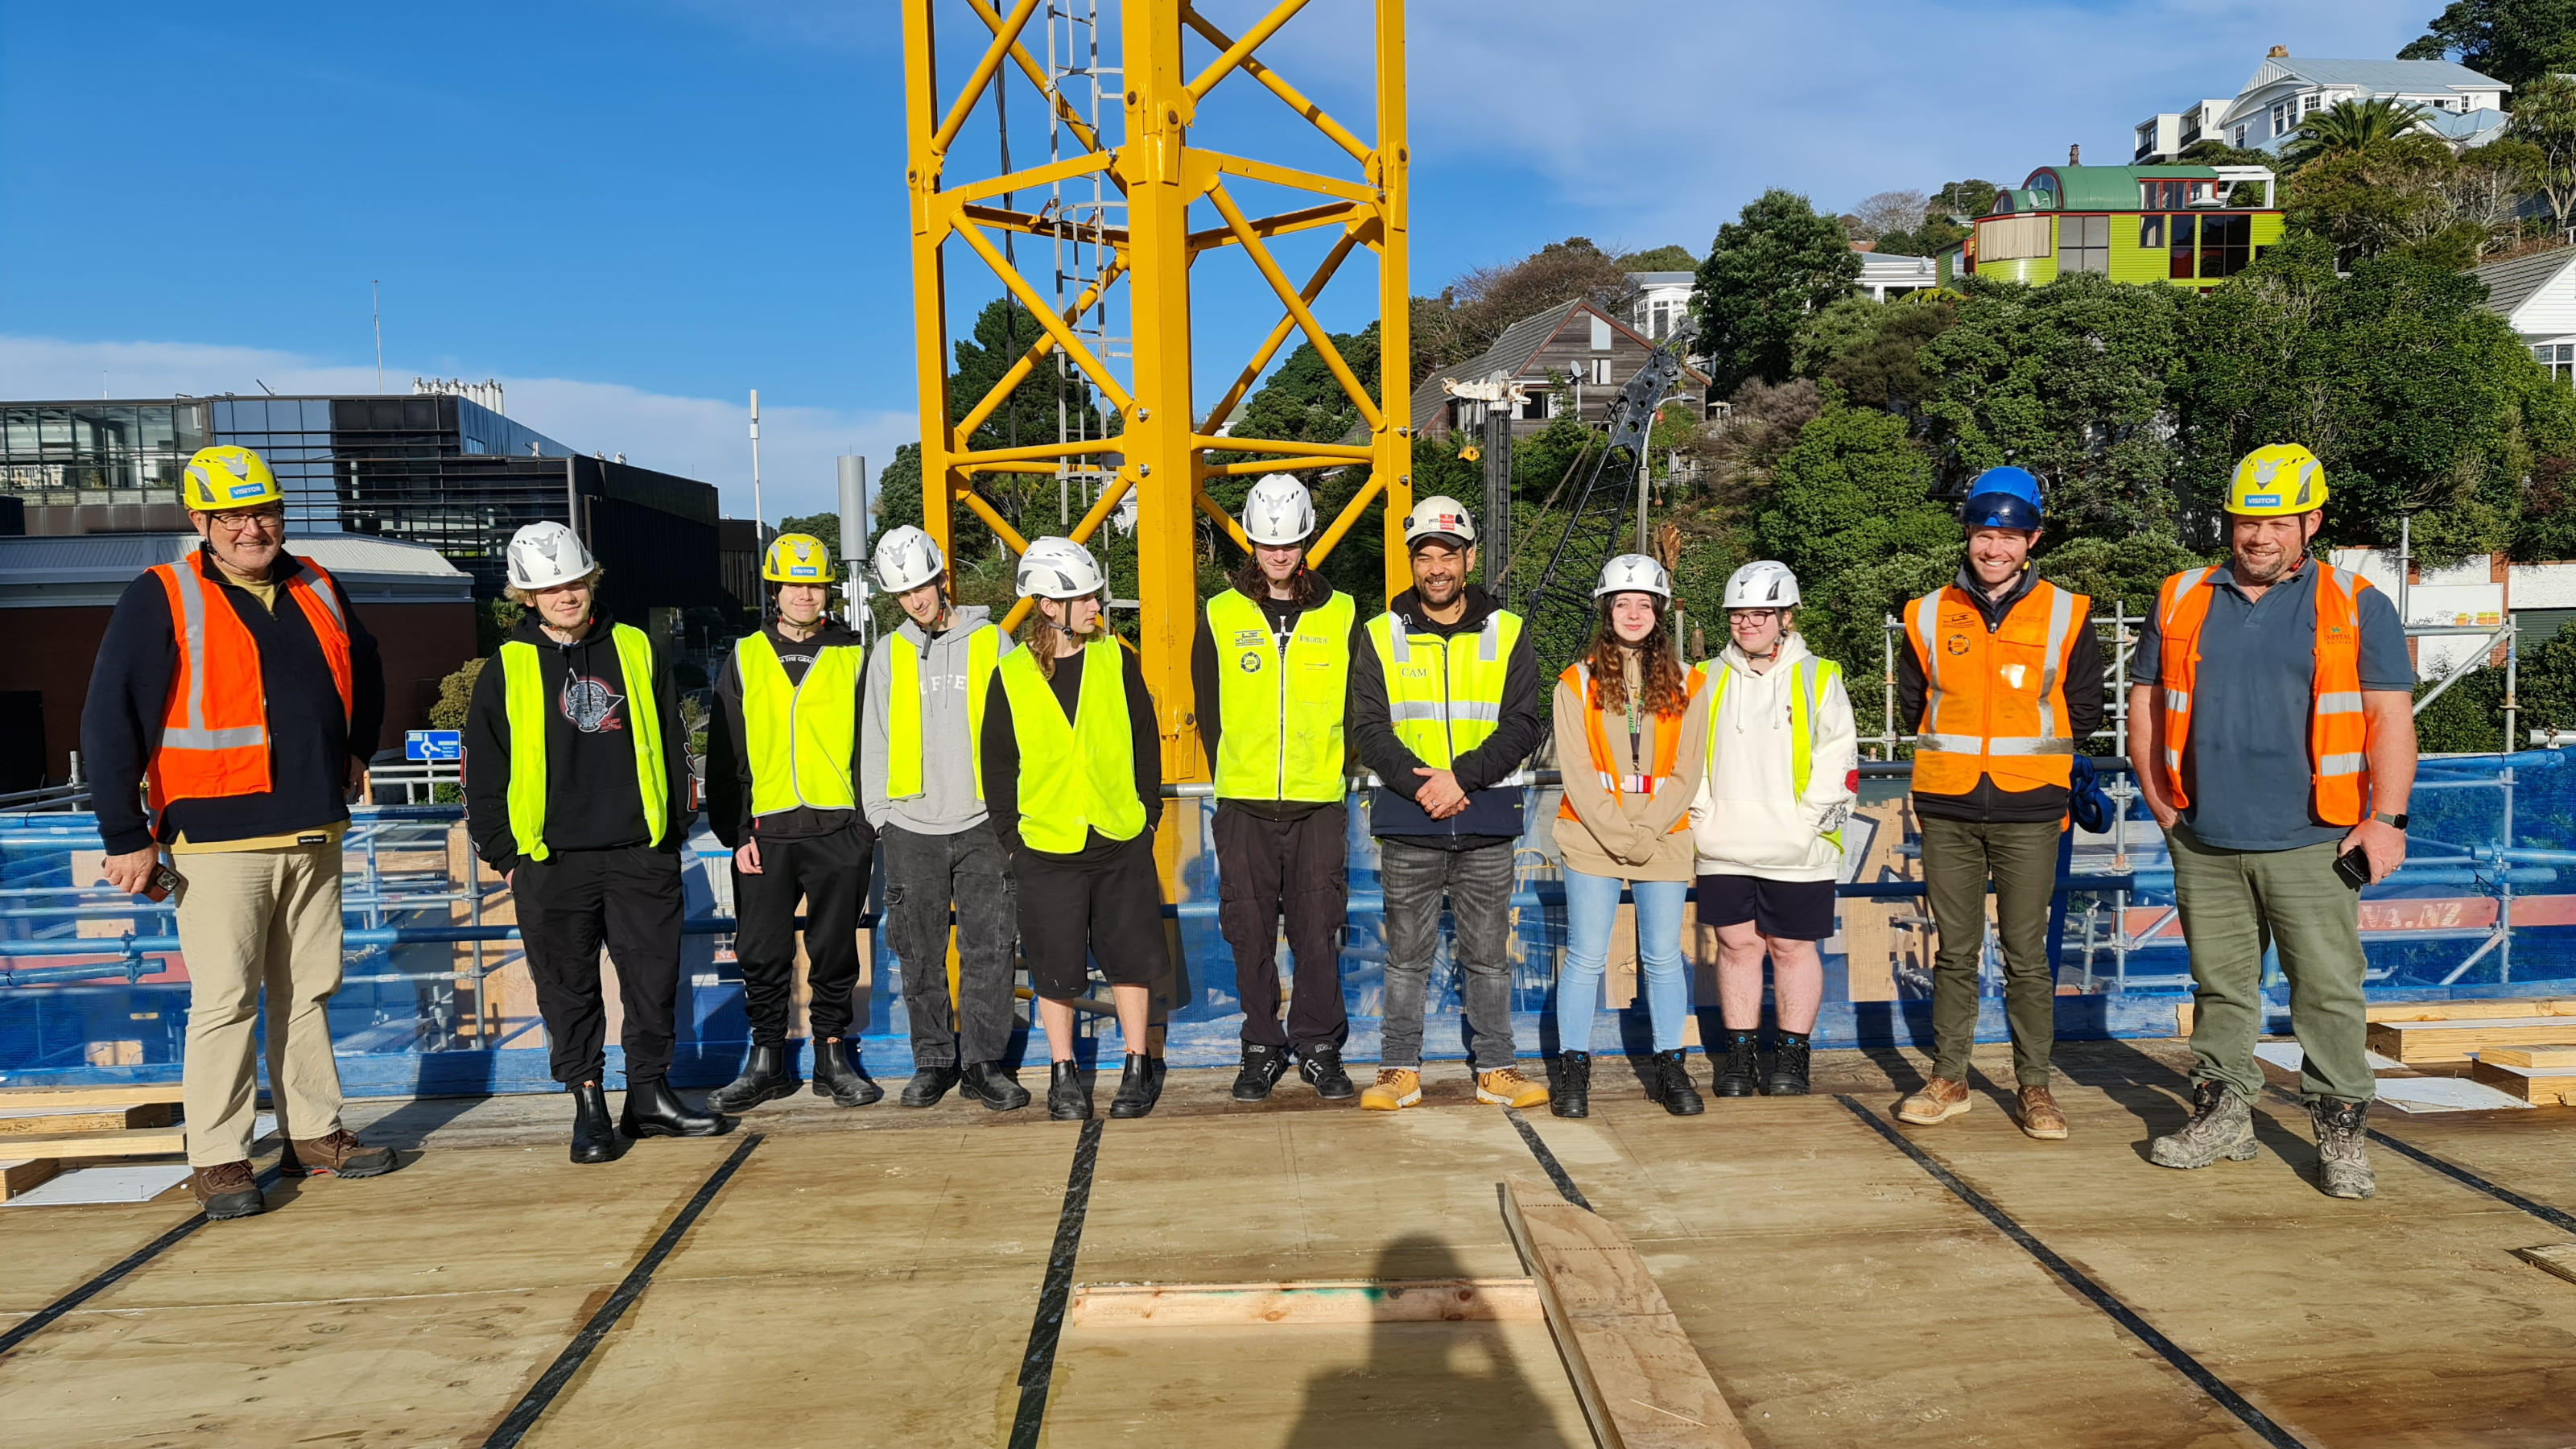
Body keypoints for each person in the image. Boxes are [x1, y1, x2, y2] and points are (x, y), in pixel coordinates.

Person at [80, 444, 397, 1220]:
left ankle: (313, 1134)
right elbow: (108, 717)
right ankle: (220, 1156)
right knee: (226, 998)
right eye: (236, 516)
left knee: (309, 990)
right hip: (215, 836)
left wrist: (356, 749)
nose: (255, 529)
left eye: (266, 512)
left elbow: (369, 664)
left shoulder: (316, 582)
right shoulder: (162, 595)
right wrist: (125, 832)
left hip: (312, 825)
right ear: (202, 521)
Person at [2130, 445, 2413, 1199]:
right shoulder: (2181, 594)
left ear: (2311, 522)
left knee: (2326, 989)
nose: (2260, 536)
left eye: (2278, 522)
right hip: (2206, 837)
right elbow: (2147, 706)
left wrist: (2386, 818)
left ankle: (2341, 1128)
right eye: (2248, 521)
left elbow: (2389, 717)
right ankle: (2225, 1114)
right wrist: (2165, 808)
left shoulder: (2356, 603)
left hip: (2315, 837)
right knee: (2220, 988)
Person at [464, 521, 719, 1162]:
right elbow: (482, 770)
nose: (565, 595)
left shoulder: (635, 646)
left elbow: (675, 736)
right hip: (551, 862)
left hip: (640, 851)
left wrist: (675, 830)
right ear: (527, 596)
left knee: (652, 981)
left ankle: (649, 1096)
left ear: (590, 580)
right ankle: (587, 1104)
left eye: (573, 581)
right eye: (549, 587)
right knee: (567, 988)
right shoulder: (507, 667)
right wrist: (508, 857)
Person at [1892, 469, 2103, 1139]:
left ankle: (2034, 1088)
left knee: (2026, 955)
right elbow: (1911, 705)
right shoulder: (1925, 612)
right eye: (1986, 535)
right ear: (1970, 535)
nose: (1996, 549)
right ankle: (1949, 1078)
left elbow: (2086, 707)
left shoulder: (2069, 612)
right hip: (1948, 803)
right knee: (1954, 951)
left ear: (2032, 539)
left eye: (2010, 537)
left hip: (2031, 807)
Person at [1348, 497, 1549, 1113]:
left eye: (1448, 555)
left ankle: (1497, 1069)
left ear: (1469, 559)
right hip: (1411, 821)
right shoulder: (1380, 635)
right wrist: (1425, 786)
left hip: (1484, 818)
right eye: (1425, 557)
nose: (1437, 568)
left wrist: (1459, 779)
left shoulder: (1508, 632)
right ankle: (1398, 1070)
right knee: (1406, 957)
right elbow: (1369, 728)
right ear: (1413, 564)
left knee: (1489, 958)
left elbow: (1523, 724)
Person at [981, 537, 1170, 1121]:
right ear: (1048, 606)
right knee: (1055, 965)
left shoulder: (1116, 659)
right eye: (1085, 598)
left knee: (1130, 959)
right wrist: (1013, 840)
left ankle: (1137, 1065)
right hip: (1045, 847)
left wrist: (1147, 818)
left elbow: (1145, 742)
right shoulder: (1010, 675)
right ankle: (1063, 1073)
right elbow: (997, 764)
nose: (1097, 606)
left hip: (1119, 839)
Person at [1192, 475, 1362, 1104]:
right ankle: (1261, 1045)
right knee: (1250, 929)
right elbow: (1208, 709)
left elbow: (1356, 703)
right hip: (1244, 805)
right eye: (1268, 543)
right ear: (1251, 542)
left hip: (1318, 802)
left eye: (1289, 543)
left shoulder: (1342, 612)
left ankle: (1319, 1045)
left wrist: (1331, 766)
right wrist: (1238, 772)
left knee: (1318, 929)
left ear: (1306, 539)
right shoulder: (1219, 613)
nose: (1279, 554)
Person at [703, 534, 880, 1113]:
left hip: (837, 829)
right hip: (766, 832)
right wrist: (737, 833)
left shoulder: (855, 654)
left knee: (835, 950)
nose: (804, 594)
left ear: (827, 588)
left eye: (814, 584)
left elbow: (873, 745)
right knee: (760, 951)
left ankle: (832, 1053)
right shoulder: (746, 655)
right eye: (793, 584)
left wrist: (864, 826)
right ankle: (767, 1059)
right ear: (774, 590)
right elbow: (727, 752)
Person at [861, 524, 1030, 1112]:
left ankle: (985, 1063)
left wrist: (1012, 813)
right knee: (920, 953)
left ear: (940, 577)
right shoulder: (889, 653)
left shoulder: (994, 643)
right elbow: (875, 737)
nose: (916, 600)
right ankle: (932, 1060)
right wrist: (881, 815)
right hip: (911, 827)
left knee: (990, 949)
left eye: (922, 586)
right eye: (904, 593)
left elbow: (1018, 732)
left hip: (983, 821)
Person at [1550, 554, 1711, 1117]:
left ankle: (1671, 1069)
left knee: (1663, 957)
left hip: (1662, 831)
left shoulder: (1692, 682)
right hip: (1593, 832)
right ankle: (1573, 1073)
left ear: (1660, 612)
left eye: (1645, 604)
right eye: (1624, 603)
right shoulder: (1577, 681)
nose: (1634, 613)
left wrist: (1646, 832)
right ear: (1606, 609)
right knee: (1587, 957)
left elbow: (1687, 772)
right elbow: (1576, 772)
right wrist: (1625, 836)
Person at [1690, 561, 1858, 1100]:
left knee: (1791, 946)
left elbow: (1840, 759)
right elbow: (1687, 757)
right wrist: (1702, 819)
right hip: (1724, 843)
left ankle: (1791, 1055)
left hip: (1798, 845)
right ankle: (1739, 1057)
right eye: (1738, 614)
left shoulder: (1820, 675)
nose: (1746, 623)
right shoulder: (1706, 677)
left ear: (1786, 616)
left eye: (1759, 612)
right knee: (1736, 944)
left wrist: (1807, 823)